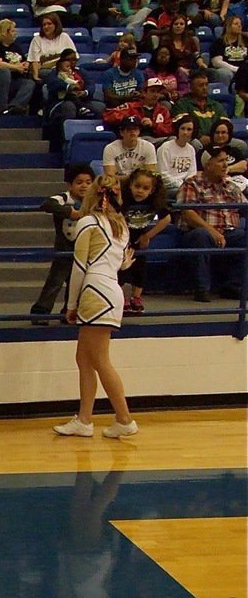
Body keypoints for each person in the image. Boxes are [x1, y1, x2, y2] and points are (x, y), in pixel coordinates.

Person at [52, 175, 138, 439]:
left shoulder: (87, 222)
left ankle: (124, 419)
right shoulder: (121, 225)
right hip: (113, 289)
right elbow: (119, 262)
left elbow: (79, 267)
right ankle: (84, 419)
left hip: (95, 291)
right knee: (84, 358)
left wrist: (71, 304)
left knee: (100, 360)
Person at [176, 147, 247, 300]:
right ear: (208, 164)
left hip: (230, 232)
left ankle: (234, 287)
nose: (225, 165)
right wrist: (212, 232)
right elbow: (188, 214)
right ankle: (202, 289)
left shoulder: (231, 186)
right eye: (220, 161)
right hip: (200, 232)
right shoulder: (192, 183)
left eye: (226, 161)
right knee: (200, 236)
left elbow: (245, 207)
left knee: (244, 236)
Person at [30, 162, 95, 322]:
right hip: (64, 250)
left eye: (88, 182)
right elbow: (47, 204)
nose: (84, 186)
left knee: (77, 283)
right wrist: (68, 212)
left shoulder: (94, 201)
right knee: (55, 282)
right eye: (79, 182)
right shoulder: (64, 198)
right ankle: (40, 312)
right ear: (70, 184)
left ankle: (69, 311)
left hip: (83, 251)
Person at [119, 167, 171, 313]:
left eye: (145, 188)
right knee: (121, 269)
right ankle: (121, 298)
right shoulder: (124, 199)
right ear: (130, 185)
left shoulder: (155, 201)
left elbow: (167, 218)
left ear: (152, 190)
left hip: (141, 238)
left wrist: (148, 235)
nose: (140, 191)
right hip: (122, 238)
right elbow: (115, 216)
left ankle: (136, 298)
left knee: (140, 268)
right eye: (137, 186)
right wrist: (122, 238)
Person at [0, 17, 36, 115]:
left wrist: (25, 65)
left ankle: (15, 107)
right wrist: (16, 67)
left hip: (10, 82)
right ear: (5, 33)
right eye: (12, 31)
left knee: (29, 83)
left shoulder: (16, 47)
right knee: (4, 72)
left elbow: (23, 62)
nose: (15, 33)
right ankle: (0, 108)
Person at [172, 69, 226, 146]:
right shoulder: (181, 104)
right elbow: (182, 126)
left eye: (206, 85)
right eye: (201, 85)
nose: (205, 88)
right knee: (196, 144)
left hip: (217, 138)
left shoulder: (216, 105)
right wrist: (199, 136)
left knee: (240, 145)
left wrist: (215, 137)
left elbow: (225, 124)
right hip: (194, 139)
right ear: (191, 87)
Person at [201, 117, 248, 196]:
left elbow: (243, 166)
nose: (220, 135)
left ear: (229, 134)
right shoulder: (206, 152)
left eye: (223, 132)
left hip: (237, 182)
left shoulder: (234, 150)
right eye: (217, 132)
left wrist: (228, 169)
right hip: (214, 184)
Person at [156, 113, 198, 201]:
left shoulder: (191, 149)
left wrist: (187, 185)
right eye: (182, 129)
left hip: (186, 187)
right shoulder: (165, 148)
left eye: (189, 129)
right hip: (168, 188)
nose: (185, 132)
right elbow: (163, 175)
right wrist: (181, 185)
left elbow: (192, 173)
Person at [210, 14, 247, 84]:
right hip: (228, 71)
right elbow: (217, 63)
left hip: (244, 71)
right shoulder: (219, 42)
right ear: (228, 26)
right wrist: (237, 69)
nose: (240, 26)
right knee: (224, 73)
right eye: (236, 24)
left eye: (240, 24)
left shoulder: (245, 41)